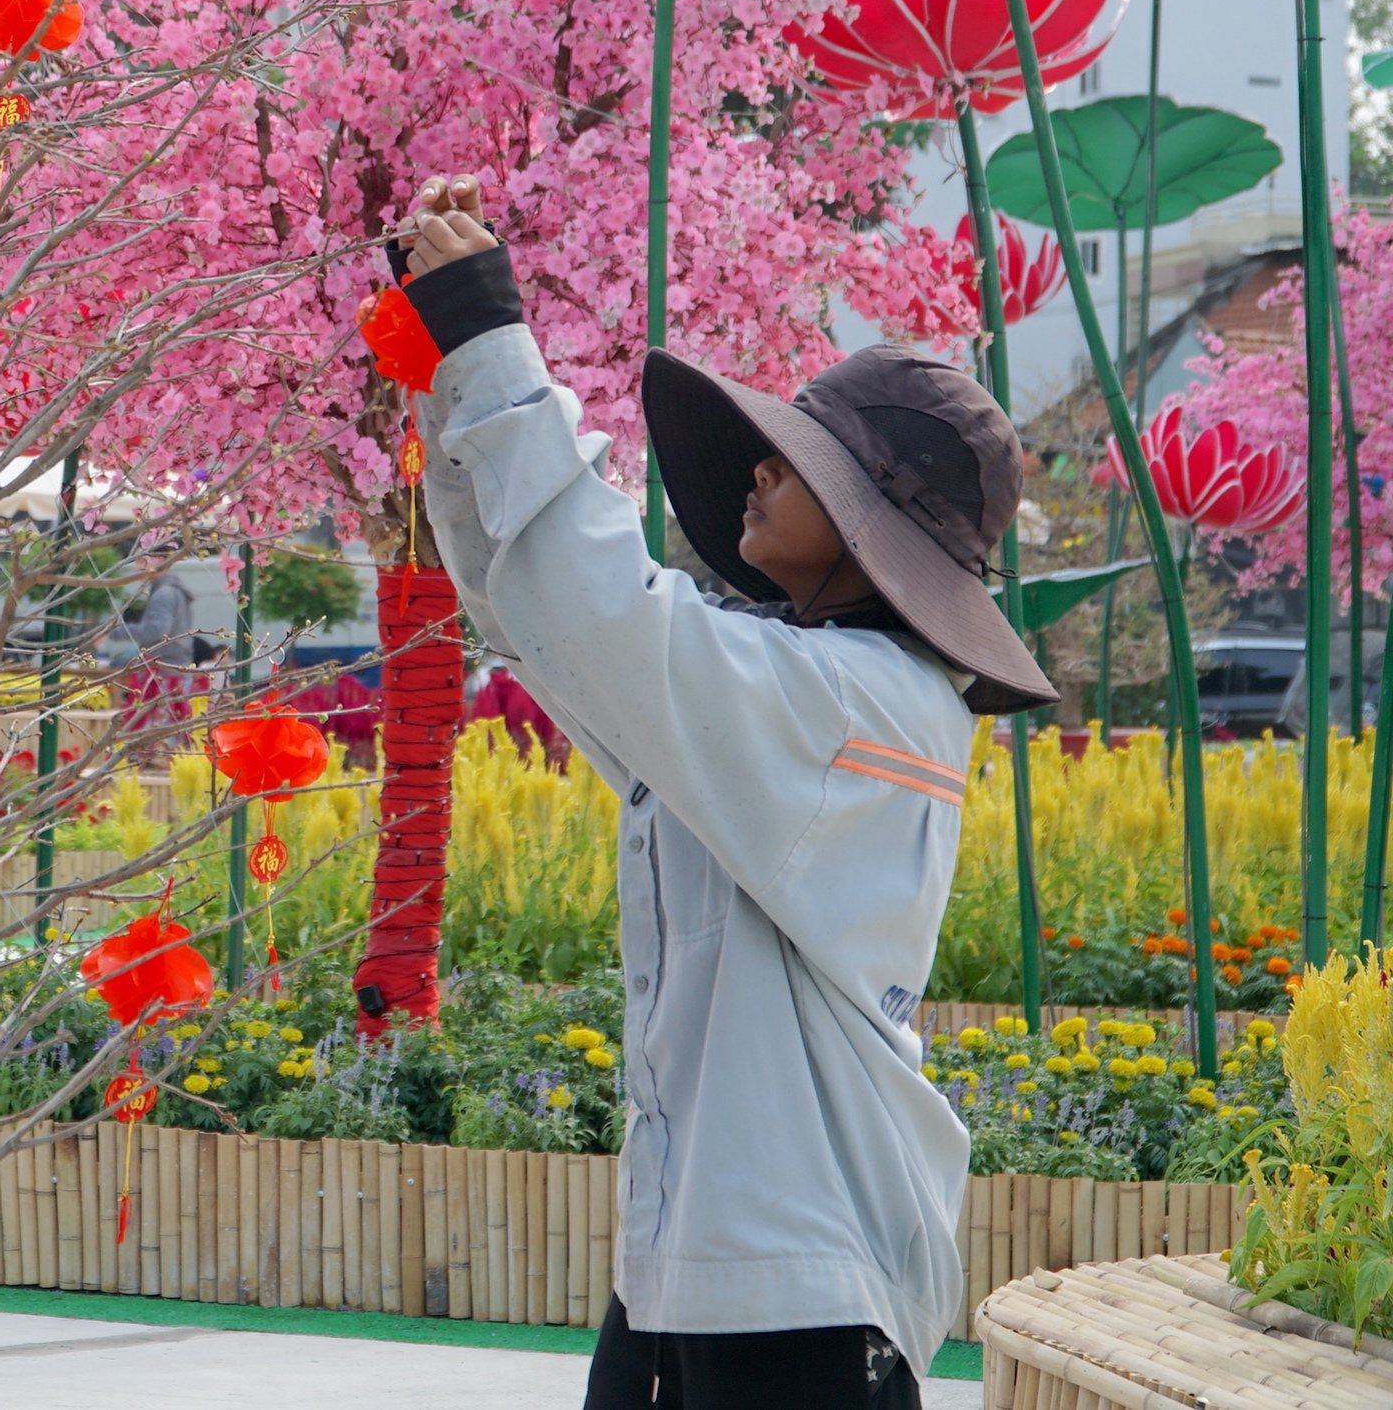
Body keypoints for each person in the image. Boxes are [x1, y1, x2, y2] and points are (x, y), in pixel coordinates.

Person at [396, 174, 1054, 1409]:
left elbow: (605, 615)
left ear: (870, 526)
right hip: (707, 1265)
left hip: (794, 1288)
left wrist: (491, 344)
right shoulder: (796, 689)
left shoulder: (848, 703)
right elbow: (545, 620)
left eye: (796, 462)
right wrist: (450, 372)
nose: (756, 468)